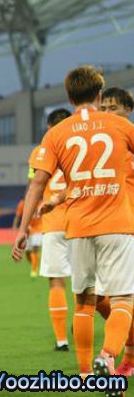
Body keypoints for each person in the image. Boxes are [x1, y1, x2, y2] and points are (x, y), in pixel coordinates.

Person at [13, 66, 134, 383]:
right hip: (117, 223)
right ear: (99, 95)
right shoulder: (120, 125)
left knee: (84, 301)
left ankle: (83, 373)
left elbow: (37, 183)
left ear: (69, 97)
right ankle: (108, 356)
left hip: (77, 227)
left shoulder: (56, 133)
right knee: (123, 299)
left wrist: (23, 229)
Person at [30, 108, 72, 351]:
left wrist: (25, 226)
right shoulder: (80, 146)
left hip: (53, 223)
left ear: (48, 128)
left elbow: (34, 185)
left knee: (56, 281)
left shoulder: (39, 152)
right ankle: (83, 324)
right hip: (81, 221)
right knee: (86, 283)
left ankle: (61, 340)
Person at [99, 86, 134, 376]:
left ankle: (125, 358)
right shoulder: (100, 144)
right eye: (103, 109)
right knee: (99, 298)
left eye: (113, 108)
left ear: (128, 110)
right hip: (103, 228)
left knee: (125, 296)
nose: (107, 113)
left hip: (128, 228)